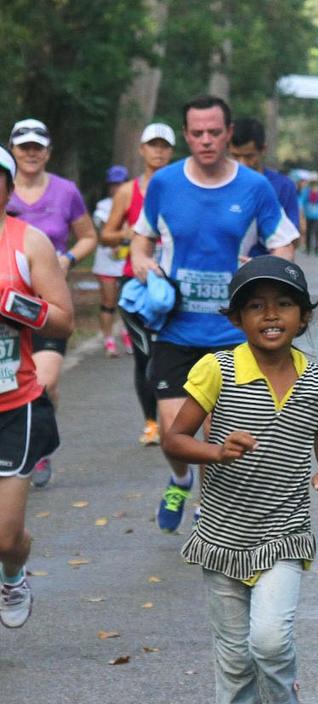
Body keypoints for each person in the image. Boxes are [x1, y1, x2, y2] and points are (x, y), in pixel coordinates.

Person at [162, 256, 318, 704]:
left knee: (269, 639)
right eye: (256, 306)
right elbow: (175, 440)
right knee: (234, 658)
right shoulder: (217, 369)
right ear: (238, 318)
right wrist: (216, 450)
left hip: (284, 534)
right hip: (221, 541)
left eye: (284, 304)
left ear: (304, 317)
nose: (271, 314)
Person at [131, 95, 299, 534]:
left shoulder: (254, 188)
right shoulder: (165, 184)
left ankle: (210, 507)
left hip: (231, 331)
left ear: (228, 133)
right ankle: (180, 478)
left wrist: (265, 271)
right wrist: (144, 264)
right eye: (197, 133)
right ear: (185, 136)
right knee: (173, 431)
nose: (206, 141)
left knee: (214, 429)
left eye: (214, 132)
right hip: (176, 327)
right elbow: (141, 240)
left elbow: (284, 243)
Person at [0, 146, 75, 629]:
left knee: (5, 539)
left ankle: (13, 573)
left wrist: (14, 305)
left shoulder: (29, 242)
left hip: (14, 404)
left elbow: (65, 320)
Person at [8, 118, 97, 487]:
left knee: (44, 382)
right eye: (23, 146)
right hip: (5, 312)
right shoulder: (3, 189)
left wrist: (67, 260)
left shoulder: (65, 191)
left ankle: (38, 445)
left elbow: (88, 236)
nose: (31, 152)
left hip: (46, 304)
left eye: (37, 146)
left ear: (48, 152)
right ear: (12, 152)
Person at [101, 122, 176, 446]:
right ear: (142, 149)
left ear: (171, 151)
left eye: (164, 145)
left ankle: (178, 419)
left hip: (173, 282)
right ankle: (151, 422)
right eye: (152, 144)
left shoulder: (181, 187)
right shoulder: (128, 191)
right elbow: (105, 235)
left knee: (175, 352)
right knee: (146, 355)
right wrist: (133, 233)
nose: (158, 151)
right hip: (136, 285)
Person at [230, 118, 300, 258]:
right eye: (236, 156)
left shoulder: (283, 186)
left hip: (265, 271)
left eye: (249, 156)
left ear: (263, 149)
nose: (242, 163)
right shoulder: (221, 184)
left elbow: (291, 238)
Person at [91, 165, 130, 357]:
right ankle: (108, 341)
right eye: (113, 184)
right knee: (108, 302)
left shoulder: (133, 202)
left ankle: (126, 334)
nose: (117, 188)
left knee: (126, 302)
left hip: (126, 260)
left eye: (120, 184)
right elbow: (102, 233)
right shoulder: (102, 207)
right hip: (106, 261)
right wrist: (121, 235)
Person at [299, 177, 318, 256]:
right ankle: (308, 248)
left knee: (317, 232)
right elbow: (302, 201)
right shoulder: (306, 191)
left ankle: (316, 248)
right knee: (309, 232)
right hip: (309, 215)